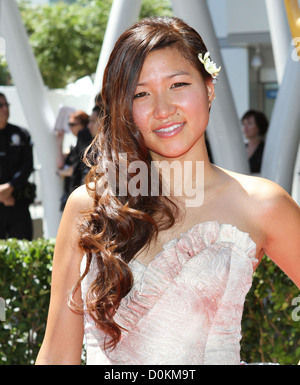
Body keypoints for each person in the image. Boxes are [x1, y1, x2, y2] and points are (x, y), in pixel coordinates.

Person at [36, 17, 300, 365]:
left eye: (178, 84)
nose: (163, 109)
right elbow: (57, 353)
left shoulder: (261, 204)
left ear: (209, 87)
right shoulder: (90, 206)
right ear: (125, 108)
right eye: (141, 93)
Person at [0, 93, 34, 241]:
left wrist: (10, 188)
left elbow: (27, 165)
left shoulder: (21, 133)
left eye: (6, 105)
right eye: (0, 106)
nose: (5, 109)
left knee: (24, 247)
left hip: (18, 201)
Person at [56, 110, 92, 211]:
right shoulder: (74, 145)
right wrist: (60, 142)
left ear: (83, 125)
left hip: (80, 194)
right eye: (69, 124)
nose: (70, 127)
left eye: (73, 124)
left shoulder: (86, 143)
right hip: (73, 193)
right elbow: (60, 164)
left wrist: (65, 171)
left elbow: (76, 169)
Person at [242, 109, 269, 174]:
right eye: (244, 124)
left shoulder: (265, 150)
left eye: (249, 124)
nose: (245, 128)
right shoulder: (241, 148)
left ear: (259, 127)